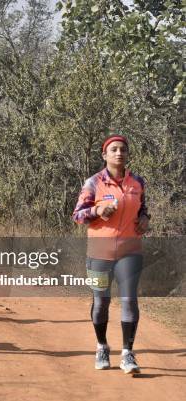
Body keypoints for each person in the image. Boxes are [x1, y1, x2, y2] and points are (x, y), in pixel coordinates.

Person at [72, 134, 150, 374]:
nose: (119, 153)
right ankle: (102, 346)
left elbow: (143, 209)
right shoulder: (93, 183)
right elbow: (78, 215)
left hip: (130, 251)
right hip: (99, 253)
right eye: (114, 149)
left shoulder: (137, 182)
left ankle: (127, 353)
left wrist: (145, 219)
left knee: (129, 300)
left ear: (127, 154)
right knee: (101, 302)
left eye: (123, 149)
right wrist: (98, 209)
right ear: (104, 155)